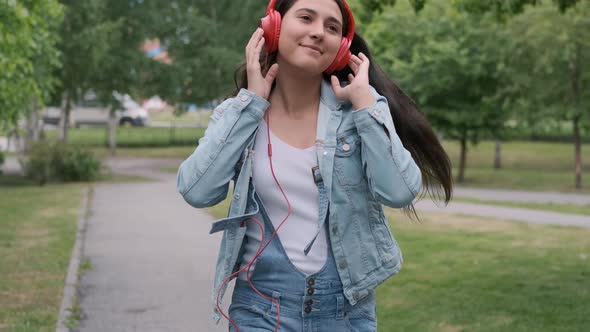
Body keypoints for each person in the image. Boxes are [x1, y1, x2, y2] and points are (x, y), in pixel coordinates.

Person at [176, 0, 453, 331]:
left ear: (341, 47)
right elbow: (196, 191)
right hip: (261, 310)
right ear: (274, 26)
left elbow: (400, 191)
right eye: (306, 17)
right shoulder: (239, 114)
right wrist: (251, 104)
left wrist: (366, 102)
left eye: (332, 27)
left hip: (346, 311)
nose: (318, 32)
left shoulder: (360, 114)